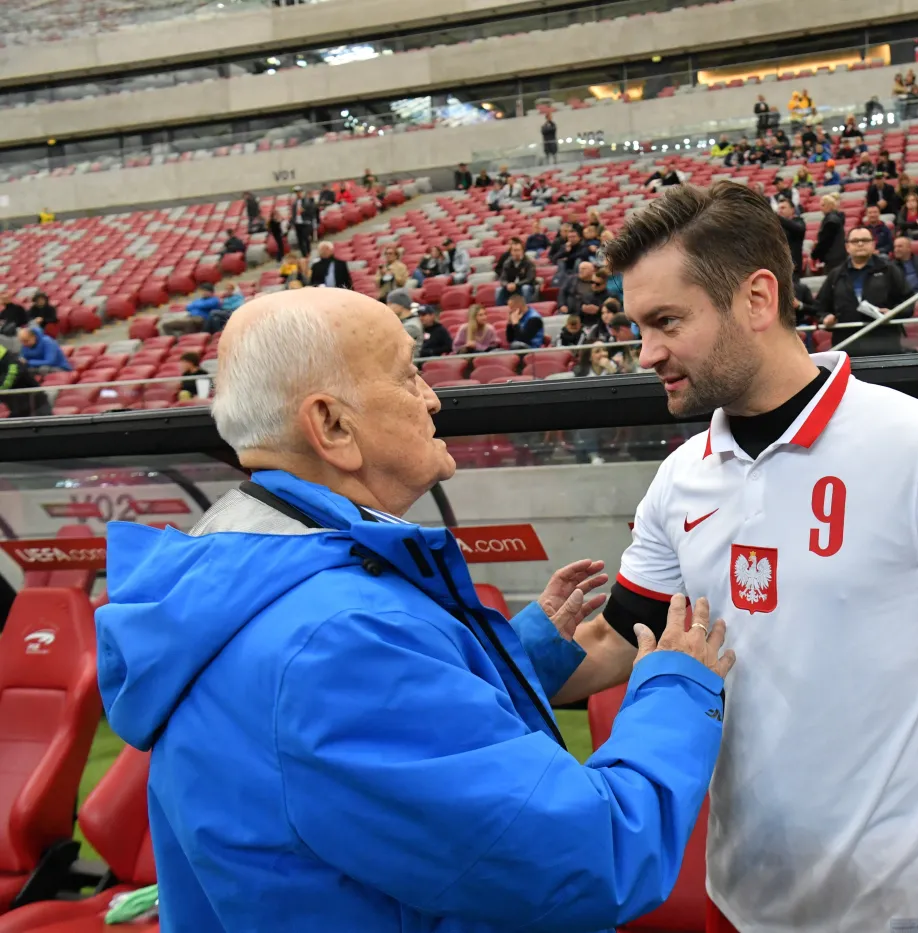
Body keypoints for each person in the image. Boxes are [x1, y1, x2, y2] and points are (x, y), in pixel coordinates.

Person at [95, 286, 733, 932]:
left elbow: (362, 761)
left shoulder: (240, 573)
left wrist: (521, 654)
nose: (432, 397)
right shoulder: (339, 642)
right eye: (408, 374)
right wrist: (678, 687)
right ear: (333, 426)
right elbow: (592, 854)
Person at [587, 181, 918, 933]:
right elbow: (610, 641)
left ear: (758, 298)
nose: (647, 353)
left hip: (893, 916)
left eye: (666, 321)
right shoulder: (681, 475)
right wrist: (471, 655)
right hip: (734, 901)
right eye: (638, 326)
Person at [812, 224, 912, 356]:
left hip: (884, 346)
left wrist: (893, 312)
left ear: (873, 245)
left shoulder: (889, 270)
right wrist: (825, 318)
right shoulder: (835, 275)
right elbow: (819, 308)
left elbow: (909, 302)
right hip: (847, 346)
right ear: (847, 247)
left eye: (865, 240)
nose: (860, 244)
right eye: (854, 241)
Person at [0, 338, 49, 416]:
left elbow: (14, 372)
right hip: (16, 405)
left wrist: (1, 388)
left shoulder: (8, 359)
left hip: (33, 404)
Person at [495, 238, 538, 305]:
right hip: (511, 288)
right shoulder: (507, 263)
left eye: (518, 250)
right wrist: (507, 285)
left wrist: (516, 285)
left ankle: (526, 308)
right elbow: (502, 279)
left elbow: (530, 279)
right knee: (498, 290)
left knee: (525, 288)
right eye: (514, 250)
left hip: (524, 286)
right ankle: (500, 311)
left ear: (522, 251)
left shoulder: (529, 263)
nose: (516, 253)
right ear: (511, 252)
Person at [811, 194, 847, 271]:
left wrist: (814, 254)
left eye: (823, 205)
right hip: (838, 257)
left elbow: (825, 242)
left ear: (830, 205)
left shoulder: (830, 221)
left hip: (833, 259)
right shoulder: (835, 218)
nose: (821, 208)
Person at [774, 200, 806, 274]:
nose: (780, 210)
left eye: (783, 208)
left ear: (792, 210)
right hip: (778, 268)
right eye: (779, 208)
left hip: (793, 269)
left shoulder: (799, 221)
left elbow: (799, 229)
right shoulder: (777, 226)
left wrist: (777, 217)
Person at [290, 186, 319, 257]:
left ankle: (308, 253)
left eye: (299, 192)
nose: (298, 194)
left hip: (306, 223)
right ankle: (304, 255)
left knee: (305, 238)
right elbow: (293, 214)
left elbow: (313, 211)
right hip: (298, 223)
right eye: (296, 192)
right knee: (300, 241)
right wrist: (292, 223)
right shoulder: (295, 203)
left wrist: (304, 211)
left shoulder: (308, 201)